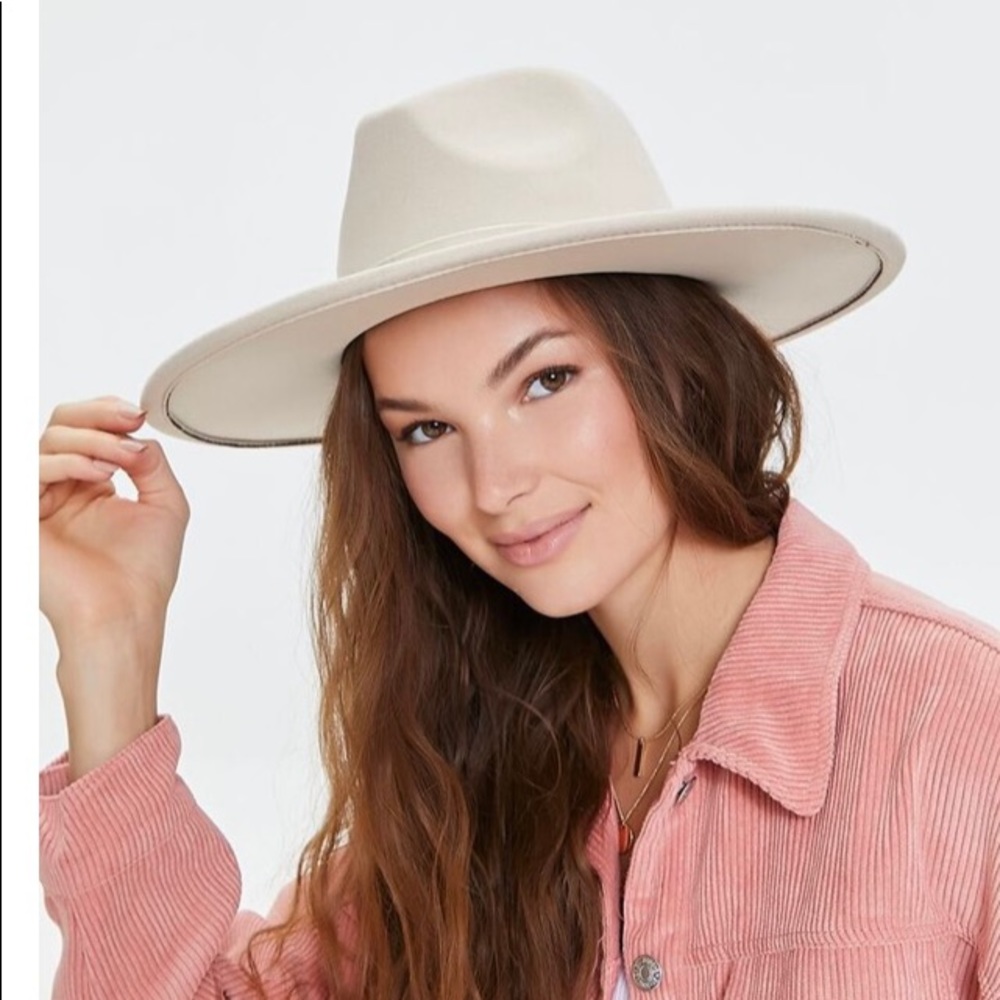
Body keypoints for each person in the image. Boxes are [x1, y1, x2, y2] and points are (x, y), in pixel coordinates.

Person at [39, 68, 999, 1000]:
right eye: (426, 429)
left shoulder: (963, 733)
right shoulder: (470, 782)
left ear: (675, 363)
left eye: (545, 381)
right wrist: (109, 641)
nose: (496, 486)